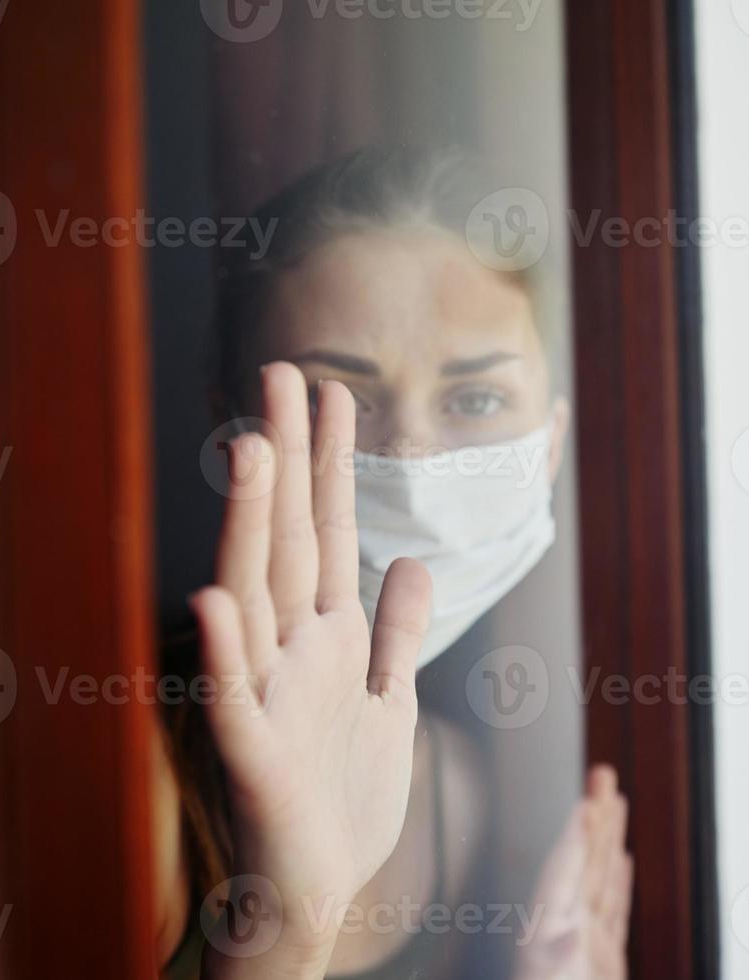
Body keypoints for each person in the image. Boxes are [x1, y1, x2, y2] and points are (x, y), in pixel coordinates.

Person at [155, 147, 632, 979]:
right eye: (327, 400)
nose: (410, 455)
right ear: (229, 426)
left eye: (476, 398)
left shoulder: (457, 788)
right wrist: (285, 926)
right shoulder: (133, 768)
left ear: (549, 443)